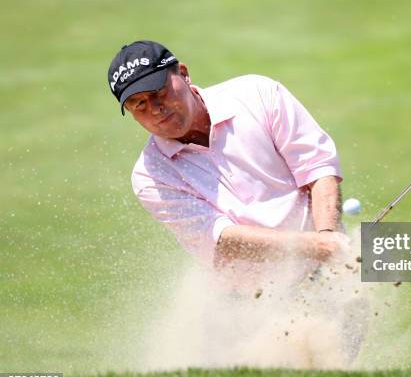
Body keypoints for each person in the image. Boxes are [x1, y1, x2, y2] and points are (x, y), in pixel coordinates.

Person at [107, 40, 351, 278]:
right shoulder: (149, 177)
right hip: (259, 299)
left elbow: (318, 168)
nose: (156, 109)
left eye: (159, 92)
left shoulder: (257, 93)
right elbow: (224, 240)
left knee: (383, 270)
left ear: (183, 73)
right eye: (139, 105)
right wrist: (316, 246)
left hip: (332, 254)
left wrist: (327, 235)